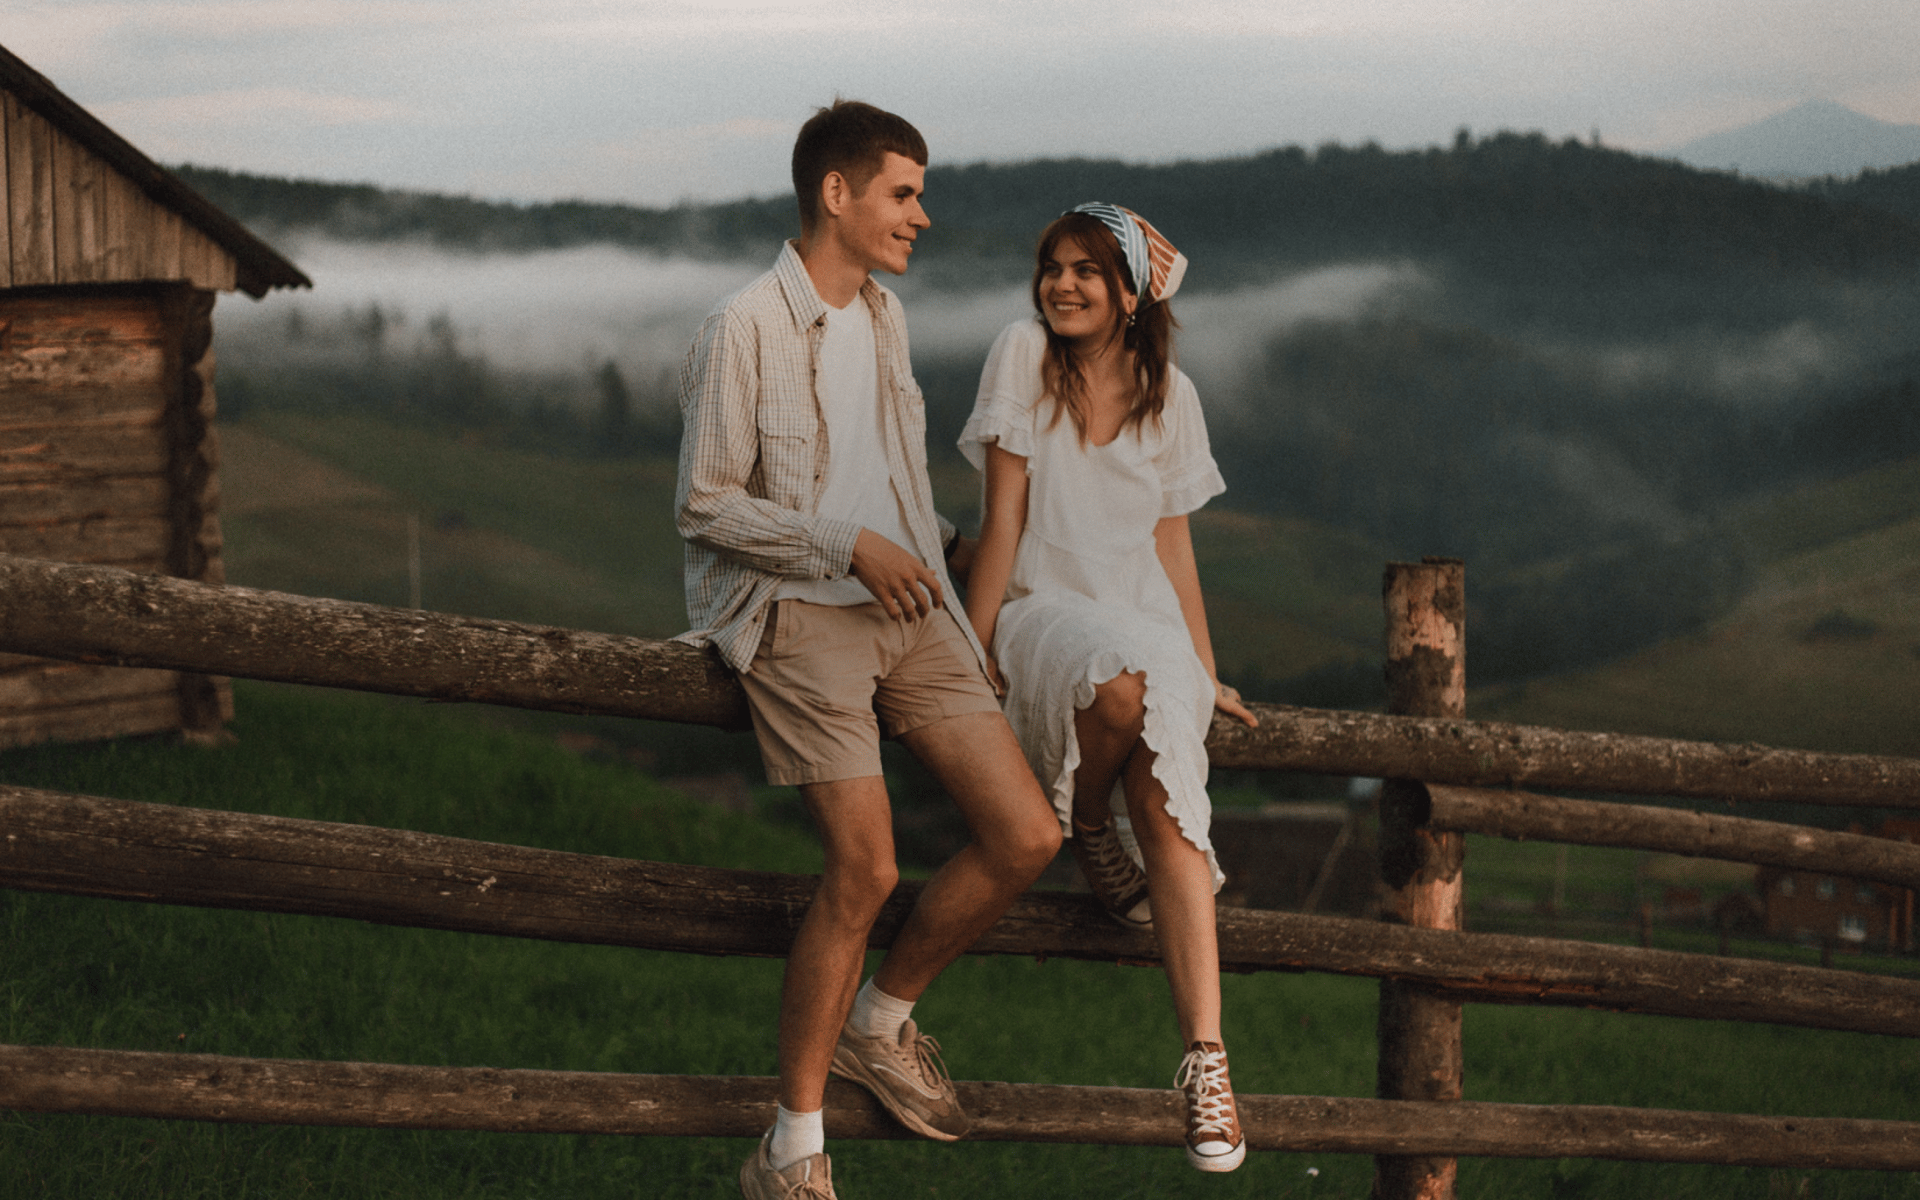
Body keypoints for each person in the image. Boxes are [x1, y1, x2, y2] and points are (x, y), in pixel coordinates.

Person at [674, 100, 1063, 1200]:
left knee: (1028, 833)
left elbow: (894, 477)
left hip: (906, 608)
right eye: (904, 192)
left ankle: (880, 1024)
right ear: (836, 194)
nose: (922, 216)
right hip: (795, 612)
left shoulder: (883, 319)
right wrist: (842, 543)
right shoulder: (742, 325)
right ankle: (791, 1150)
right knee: (869, 866)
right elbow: (703, 504)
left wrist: (953, 593)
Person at [958, 202, 1258, 1173]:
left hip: (1144, 618)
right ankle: (1088, 830)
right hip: (1044, 608)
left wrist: (1206, 672)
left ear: (1131, 293)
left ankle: (1207, 1068)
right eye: (1053, 265)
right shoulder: (1020, 354)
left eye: (1089, 269)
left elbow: (1173, 544)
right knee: (1121, 689)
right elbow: (1001, 519)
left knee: (1173, 807)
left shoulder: (1173, 395)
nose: (1064, 284)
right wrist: (969, 645)